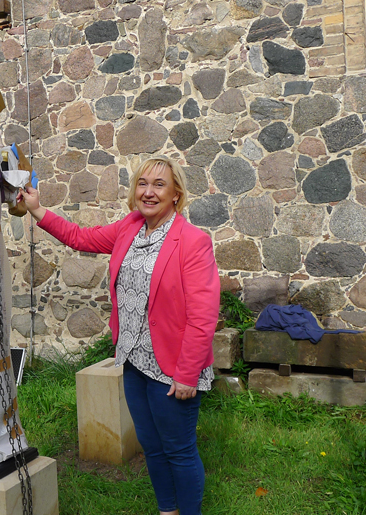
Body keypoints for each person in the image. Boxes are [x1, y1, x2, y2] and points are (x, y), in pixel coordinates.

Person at [19, 155, 220, 515]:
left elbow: (203, 317)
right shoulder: (129, 227)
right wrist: (37, 211)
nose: (148, 192)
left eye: (159, 184)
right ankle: (167, 511)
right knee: (151, 447)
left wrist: (188, 374)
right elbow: (81, 238)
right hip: (133, 362)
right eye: (143, 183)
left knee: (178, 449)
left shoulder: (192, 241)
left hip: (173, 368)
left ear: (176, 193)